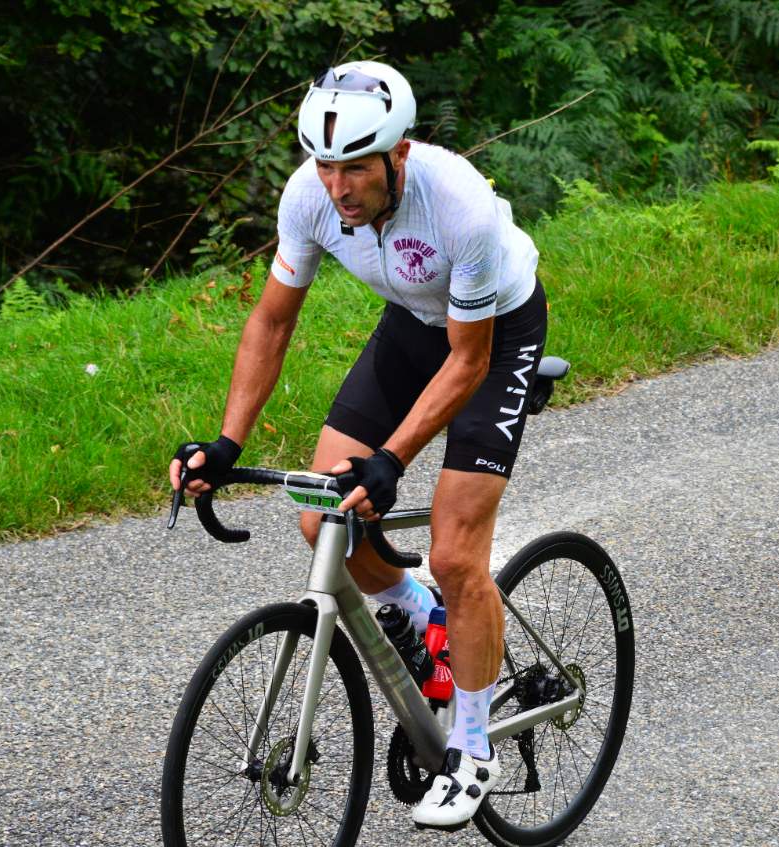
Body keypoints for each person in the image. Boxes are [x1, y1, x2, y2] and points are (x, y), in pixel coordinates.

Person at [167, 60, 547, 830]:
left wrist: (391, 460)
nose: (338, 187)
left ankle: (473, 748)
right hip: (412, 323)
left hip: (495, 336)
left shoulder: (461, 206)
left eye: (356, 169)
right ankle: (413, 609)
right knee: (323, 518)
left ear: (398, 153)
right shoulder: (307, 196)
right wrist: (228, 441)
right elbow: (273, 319)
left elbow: (467, 361)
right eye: (325, 166)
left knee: (456, 553)